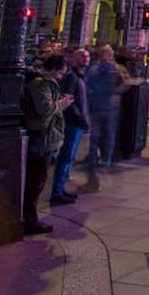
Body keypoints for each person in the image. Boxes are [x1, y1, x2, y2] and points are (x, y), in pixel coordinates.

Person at [23, 55, 71, 235]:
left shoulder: (43, 83)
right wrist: (63, 103)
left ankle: (29, 216)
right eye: (60, 73)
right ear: (53, 69)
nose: (60, 77)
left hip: (44, 134)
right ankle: (29, 219)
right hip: (40, 135)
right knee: (36, 178)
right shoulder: (40, 84)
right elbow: (45, 111)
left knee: (38, 177)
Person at [50, 49, 90, 205]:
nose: (85, 58)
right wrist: (80, 118)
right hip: (73, 123)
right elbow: (68, 99)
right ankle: (57, 192)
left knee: (68, 158)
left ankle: (60, 190)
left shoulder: (80, 76)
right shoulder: (72, 77)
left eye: (87, 56)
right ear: (74, 59)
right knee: (65, 157)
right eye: (81, 56)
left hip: (77, 123)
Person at [83, 45, 124, 190]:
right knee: (94, 141)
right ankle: (94, 173)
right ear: (102, 54)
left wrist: (116, 93)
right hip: (96, 108)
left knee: (106, 137)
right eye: (108, 53)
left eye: (112, 53)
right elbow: (86, 84)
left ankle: (103, 163)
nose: (111, 55)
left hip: (106, 109)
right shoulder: (95, 68)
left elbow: (127, 82)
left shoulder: (115, 68)